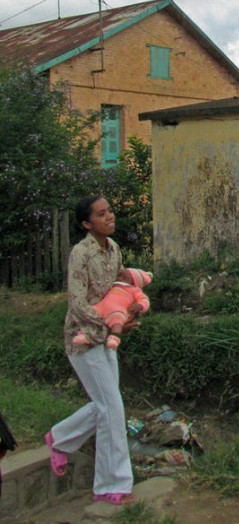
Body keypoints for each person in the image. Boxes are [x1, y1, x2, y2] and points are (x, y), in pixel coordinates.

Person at [44, 196, 140, 506]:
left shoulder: (113, 250)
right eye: (101, 214)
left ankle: (59, 439)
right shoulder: (81, 253)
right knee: (112, 407)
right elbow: (77, 302)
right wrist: (109, 325)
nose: (110, 216)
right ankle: (112, 484)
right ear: (87, 224)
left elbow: (117, 289)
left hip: (106, 336)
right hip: (82, 338)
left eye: (110, 210)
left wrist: (128, 311)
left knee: (106, 404)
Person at [72, 268, 152, 350]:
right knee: (90, 314)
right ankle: (85, 334)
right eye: (120, 276)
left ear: (133, 282)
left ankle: (115, 338)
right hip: (102, 306)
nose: (120, 278)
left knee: (117, 320)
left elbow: (144, 299)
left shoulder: (134, 290)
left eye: (124, 278)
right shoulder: (113, 285)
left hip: (117, 309)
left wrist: (141, 306)